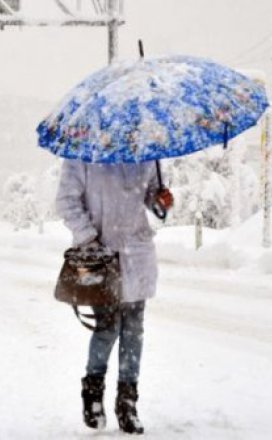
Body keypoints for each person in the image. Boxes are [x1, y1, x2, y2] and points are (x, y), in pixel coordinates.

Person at [55, 160, 173, 434]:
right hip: (101, 255)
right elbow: (66, 202)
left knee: (134, 331)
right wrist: (88, 239)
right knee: (108, 328)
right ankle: (93, 393)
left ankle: (127, 403)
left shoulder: (146, 155)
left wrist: (161, 201)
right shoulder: (83, 155)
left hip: (137, 253)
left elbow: (153, 202)